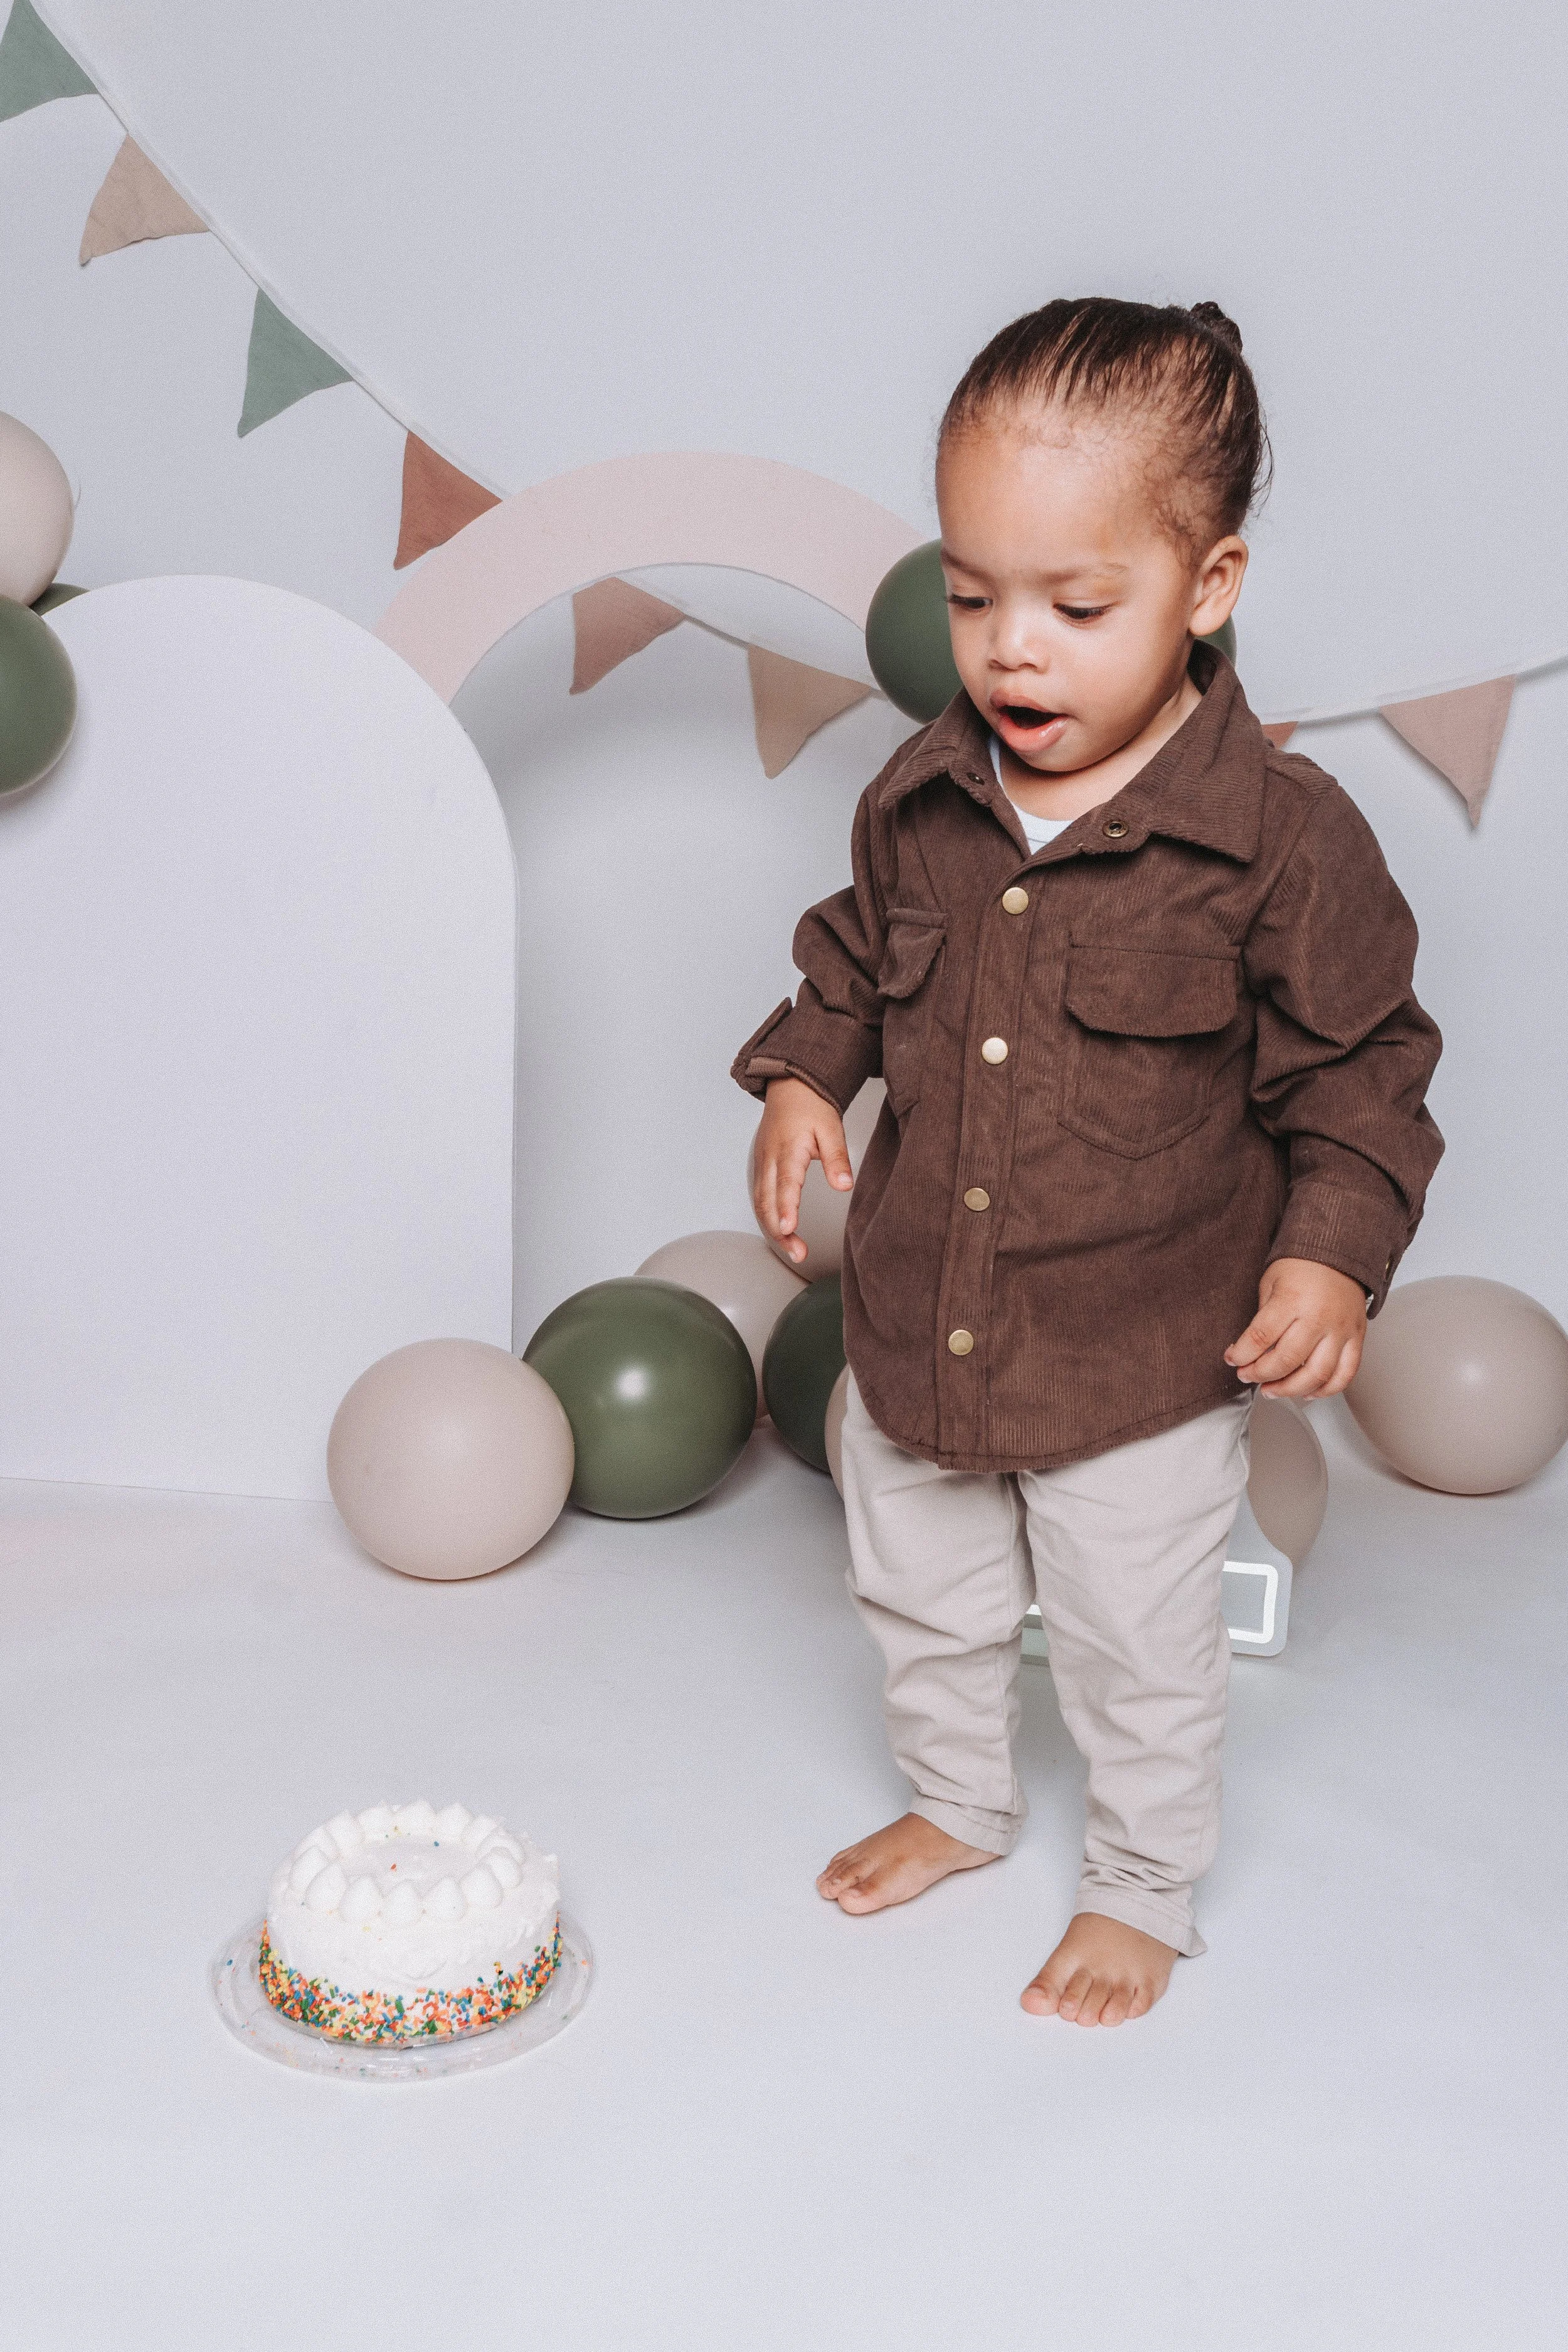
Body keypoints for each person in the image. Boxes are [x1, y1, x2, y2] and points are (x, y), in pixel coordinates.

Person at [734, 297, 1443, 2026]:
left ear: (1207, 586)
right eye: (973, 597)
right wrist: (806, 1073)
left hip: (1139, 1344)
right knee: (923, 1589)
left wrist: (1330, 1251)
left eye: (1074, 606)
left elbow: (1365, 1068)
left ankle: (1139, 1883)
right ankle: (959, 1798)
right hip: (924, 1312)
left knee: (1135, 1640)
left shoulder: (1277, 843)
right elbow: (851, 952)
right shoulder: (919, 797)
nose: (1012, 654)